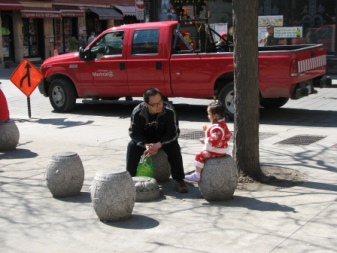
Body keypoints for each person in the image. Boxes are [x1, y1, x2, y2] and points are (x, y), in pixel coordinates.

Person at [126, 88, 188, 193]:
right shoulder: (137, 112)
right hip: (146, 140)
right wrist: (146, 145)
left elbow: (174, 133)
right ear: (146, 104)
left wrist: (159, 144)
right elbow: (134, 133)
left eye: (160, 102)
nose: (159, 106)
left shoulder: (169, 111)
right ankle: (129, 178)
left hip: (163, 139)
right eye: (154, 104)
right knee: (132, 146)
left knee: (174, 147)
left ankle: (179, 179)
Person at [185, 101, 232, 182]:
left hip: (217, 150)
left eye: (209, 114)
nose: (208, 116)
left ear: (216, 116)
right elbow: (226, 135)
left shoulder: (217, 128)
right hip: (222, 148)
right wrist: (208, 130)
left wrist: (205, 140)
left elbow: (213, 141)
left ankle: (197, 174)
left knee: (199, 156)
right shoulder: (222, 124)